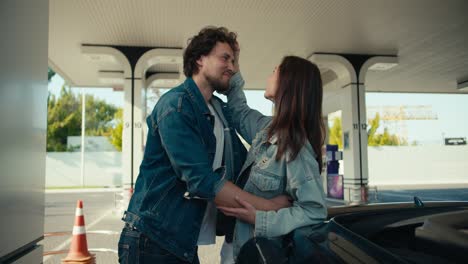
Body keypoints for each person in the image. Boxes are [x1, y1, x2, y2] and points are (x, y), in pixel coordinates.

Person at [118, 26, 291, 264]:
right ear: (199, 59)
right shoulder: (176, 106)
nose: (231, 66)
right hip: (153, 239)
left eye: (234, 60)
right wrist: (269, 207)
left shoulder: (219, 110)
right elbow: (201, 180)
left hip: (183, 242)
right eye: (225, 58)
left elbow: (243, 166)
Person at [218, 55, 328, 261]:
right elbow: (239, 112)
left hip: (261, 253)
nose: (269, 75)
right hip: (236, 246)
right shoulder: (267, 129)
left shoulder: (296, 147)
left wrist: (260, 220)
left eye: (275, 70)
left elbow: (315, 211)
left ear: (288, 83)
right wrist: (233, 64)